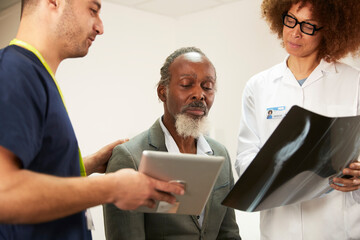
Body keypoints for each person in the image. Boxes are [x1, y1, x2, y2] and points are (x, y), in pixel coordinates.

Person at [0, 0, 184, 239]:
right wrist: (113, 187)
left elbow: (35, 171)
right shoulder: (14, 72)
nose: (100, 27)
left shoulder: (36, 75)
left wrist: (88, 165)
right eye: (93, 10)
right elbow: (4, 192)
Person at [236, 0, 360, 239]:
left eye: (309, 25)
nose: (295, 32)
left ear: (330, 30)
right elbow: (245, 156)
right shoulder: (258, 86)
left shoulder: (354, 83)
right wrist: (269, 171)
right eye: (290, 20)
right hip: (280, 228)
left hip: (338, 228)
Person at [103, 47, 241, 240]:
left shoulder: (220, 154)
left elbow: (229, 234)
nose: (199, 94)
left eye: (207, 86)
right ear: (162, 92)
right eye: (186, 84)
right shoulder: (130, 158)